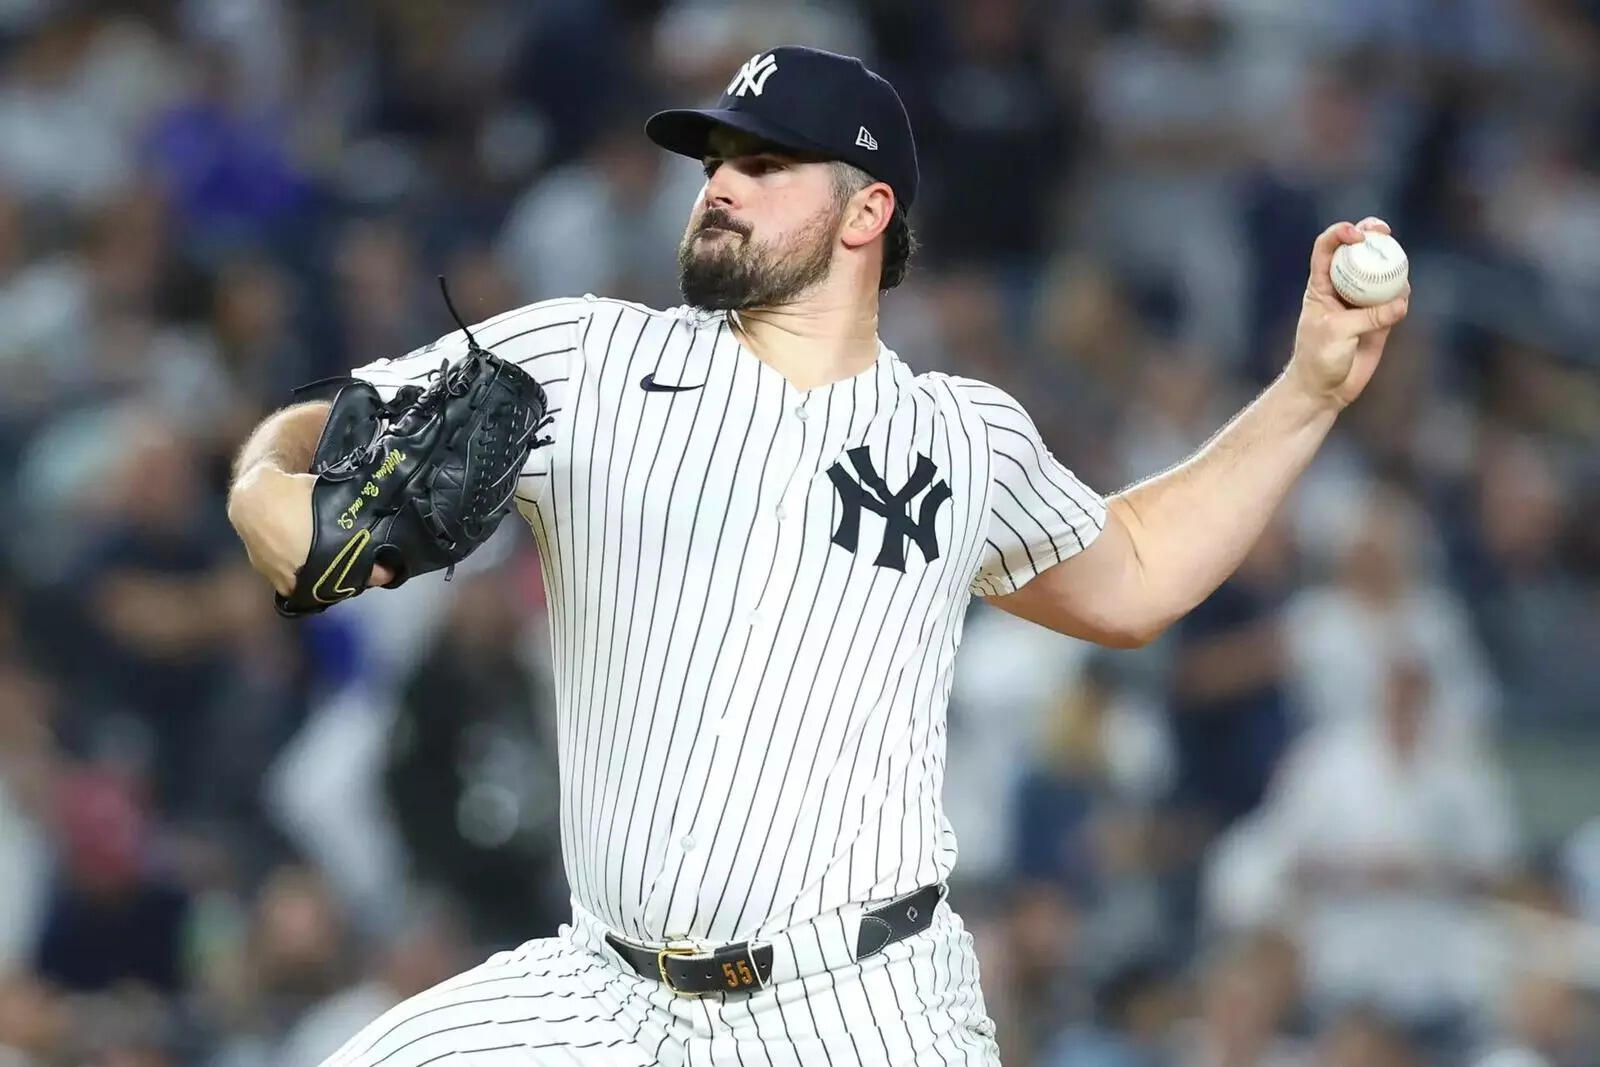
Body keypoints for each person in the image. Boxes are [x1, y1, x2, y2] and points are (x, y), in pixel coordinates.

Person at [225, 44, 1408, 1067]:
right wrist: (262, 482)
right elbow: (320, 424)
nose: (719, 186)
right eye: (714, 163)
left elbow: (1137, 567)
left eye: (764, 163)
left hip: (859, 1002)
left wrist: (1306, 390)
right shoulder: (580, 357)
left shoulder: (959, 432)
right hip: (603, 993)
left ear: (865, 212)